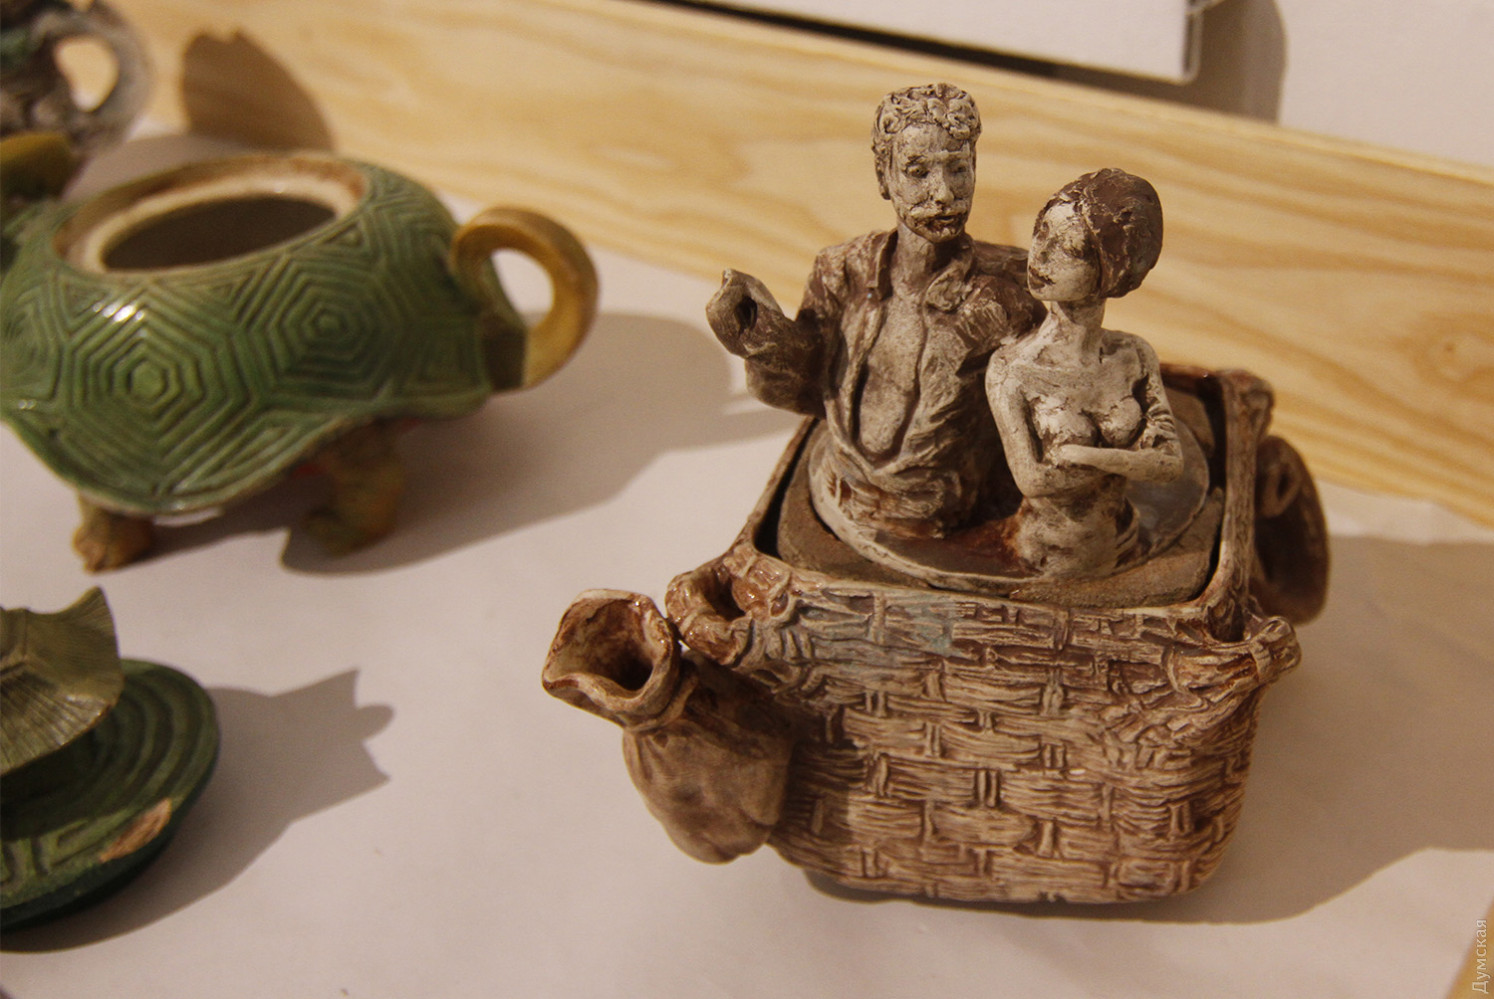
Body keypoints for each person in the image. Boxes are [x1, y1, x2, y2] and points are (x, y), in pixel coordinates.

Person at [706, 83, 1044, 540]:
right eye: (918, 171)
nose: (943, 193)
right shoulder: (841, 270)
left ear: (975, 169)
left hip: (951, 518)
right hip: (838, 490)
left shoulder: (1009, 289)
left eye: (958, 169)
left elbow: (1037, 417)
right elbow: (809, 391)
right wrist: (764, 340)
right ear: (884, 177)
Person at [985, 168, 1184, 577]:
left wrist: (1083, 456)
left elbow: (1171, 464)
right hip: (1052, 556)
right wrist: (1131, 459)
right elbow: (1033, 479)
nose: (1041, 255)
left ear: (1113, 269)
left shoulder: (1133, 354)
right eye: (1041, 232)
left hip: (1125, 539)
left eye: (1070, 248)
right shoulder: (1012, 369)